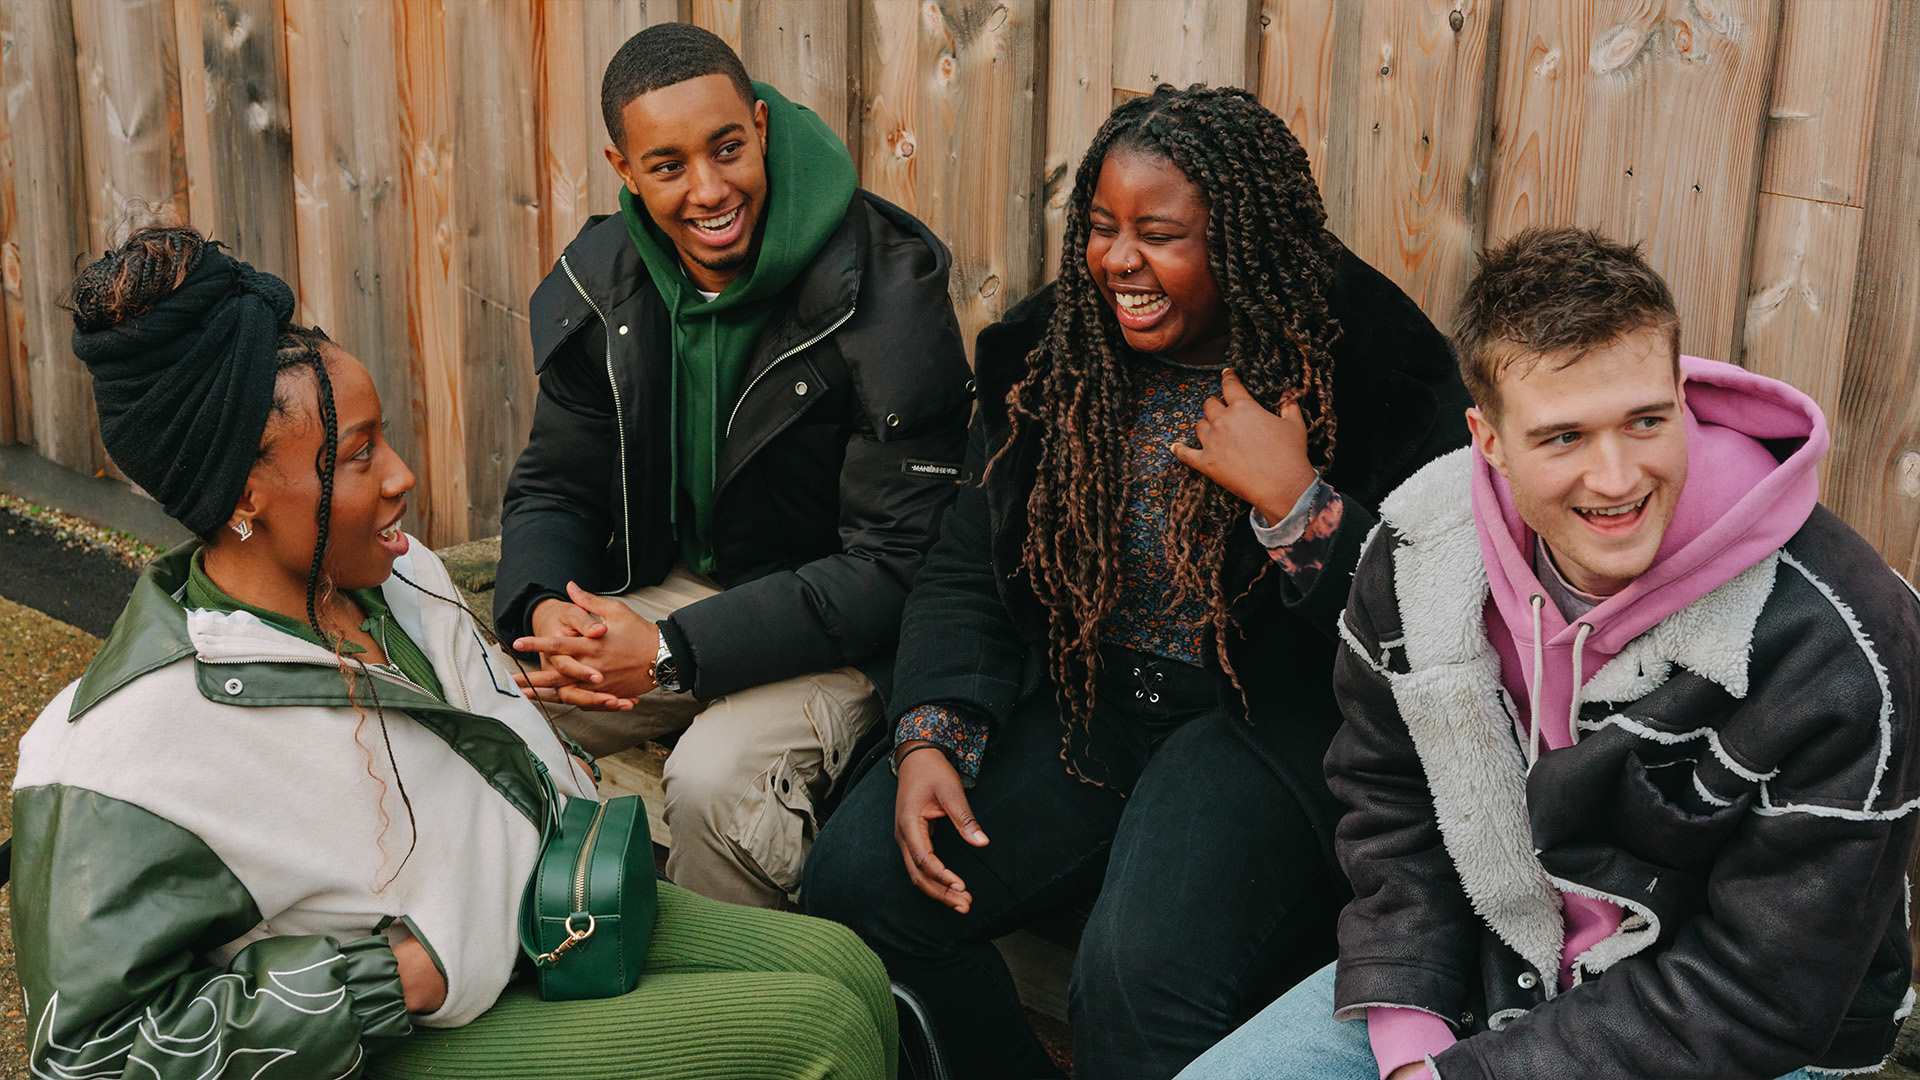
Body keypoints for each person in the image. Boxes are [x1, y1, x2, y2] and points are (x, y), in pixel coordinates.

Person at [12, 225, 895, 1080]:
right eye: (359, 456)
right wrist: (385, 983)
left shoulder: (399, 579)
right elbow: (90, 1051)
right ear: (246, 494)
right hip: (418, 1036)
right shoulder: (115, 750)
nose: (401, 476)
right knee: (819, 1035)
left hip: (556, 910)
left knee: (852, 974)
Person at [801, 84, 1471, 1080]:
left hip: (1262, 727)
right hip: (1086, 700)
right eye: (1102, 227)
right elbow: (968, 559)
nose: (1117, 260)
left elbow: (1437, 616)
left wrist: (1300, 507)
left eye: (1159, 234)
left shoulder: (1377, 371)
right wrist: (934, 724)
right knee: (859, 885)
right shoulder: (1049, 352)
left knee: (1134, 981)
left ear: (1242, 241)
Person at [1178, 227, 1920, 1080]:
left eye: (1646, 421)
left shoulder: (1844, 636)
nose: (1615, 479)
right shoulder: (1421, 550)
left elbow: (1766, 991)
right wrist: (1413, 1041)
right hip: (1494, 961)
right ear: (1487, 440)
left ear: (1682, 398)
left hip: (1733, 1034)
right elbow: (1392, 806)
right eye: (1563, 437)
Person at [493, 23, 971, 909]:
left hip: (847, 632)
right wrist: (543, 605)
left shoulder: (885, 289)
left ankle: (750, 1019)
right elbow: (555, 482)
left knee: (716, 784)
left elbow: (898, 566)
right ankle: (558, 955)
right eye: (668, 166)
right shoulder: (609, 278)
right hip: (688, 592)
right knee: (498, 706)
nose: (709, 190)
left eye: (727, 149)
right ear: (624, 169)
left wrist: (674, 652)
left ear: (759, 125)